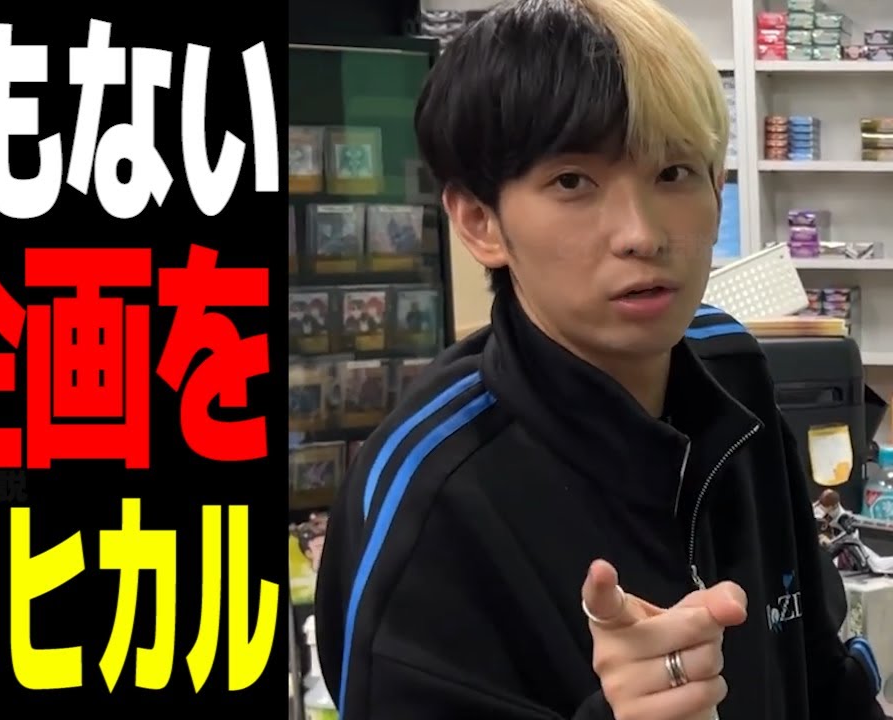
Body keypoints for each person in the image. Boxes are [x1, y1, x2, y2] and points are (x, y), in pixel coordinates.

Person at [312, 1, 885, 719]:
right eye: (572, 183)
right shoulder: (425, 497)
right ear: (480, 222)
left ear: (717, 189)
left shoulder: (732, 368)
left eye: (673, 171)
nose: (641, 234)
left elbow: (821, 673)